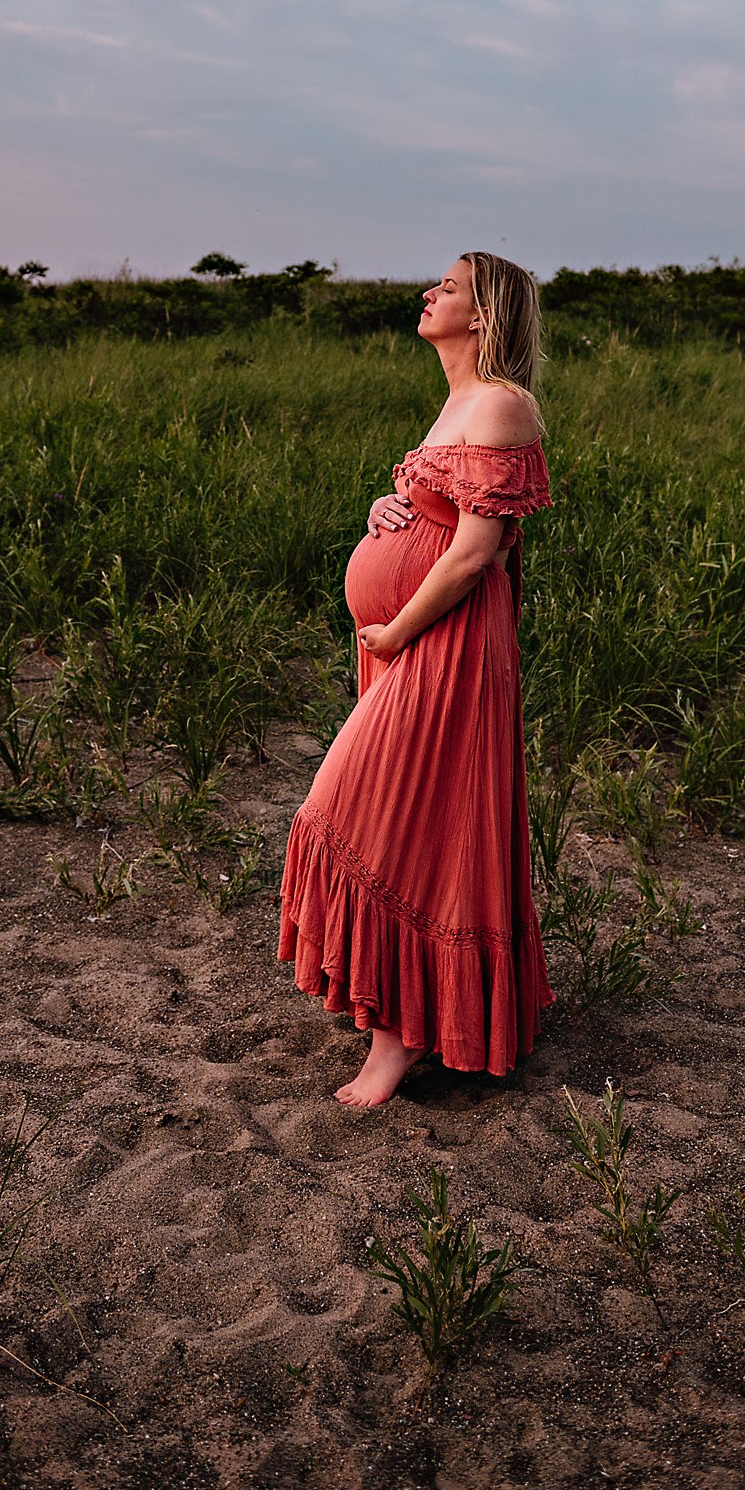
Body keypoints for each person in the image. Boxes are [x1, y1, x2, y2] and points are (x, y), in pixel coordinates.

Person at [277, 251, 555, 1108]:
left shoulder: (504, 402)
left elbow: (478, 552)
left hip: (445, 642)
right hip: (410, 642)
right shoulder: (457, 404)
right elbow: (446, 515)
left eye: (448, 287)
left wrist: (397, 624)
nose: (427, 294)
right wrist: (383, 513)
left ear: (484, 314)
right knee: (408, 819)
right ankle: (404, 1013)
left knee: (364, 815)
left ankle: (395, 1047)